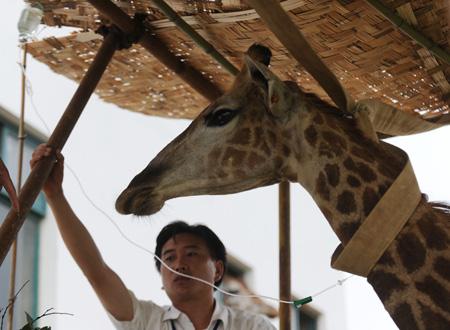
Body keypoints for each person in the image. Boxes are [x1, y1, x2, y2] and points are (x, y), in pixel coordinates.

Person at [31, 144, 276, 330]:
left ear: (218, 270)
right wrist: (54, 195)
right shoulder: (146, 320)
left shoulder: (253, 326)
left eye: (191, 254)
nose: (179, 265)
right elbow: (96, 272)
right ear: (161, 277)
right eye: (168, 258)